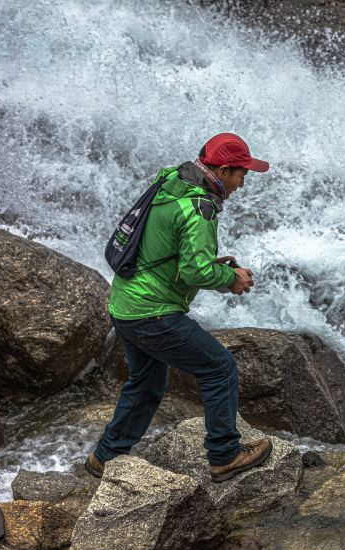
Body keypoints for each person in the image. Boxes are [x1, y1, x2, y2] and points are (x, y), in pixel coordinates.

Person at [86, 132, 273, 482]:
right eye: (241, 174)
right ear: (224, 169)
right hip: (152, 313)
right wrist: (231, 278)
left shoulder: (172, 182)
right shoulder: (199, 207)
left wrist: (217, 265)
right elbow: (194, 270)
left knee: (147, 383)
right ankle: (225, 454)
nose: (242, 183)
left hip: (125, 303)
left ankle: (105, 458)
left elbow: (167, 248)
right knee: (219, 368)